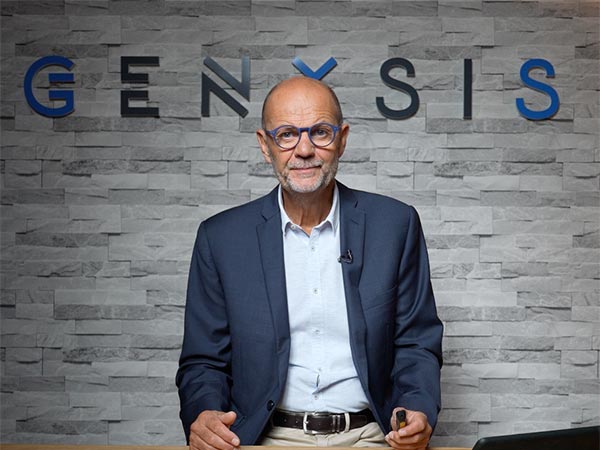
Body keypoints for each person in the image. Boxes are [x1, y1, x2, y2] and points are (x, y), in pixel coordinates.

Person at [176, 76, 443, 450]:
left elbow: (416, 341)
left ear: (342, 140)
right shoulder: (221, 238)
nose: (304, 150)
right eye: (286, 134)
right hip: (263, 439)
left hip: (374, 437)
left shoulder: (395, 225)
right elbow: (203, 362)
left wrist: (417, 408)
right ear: (265, 145)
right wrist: (204, 414)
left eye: (320, 132)